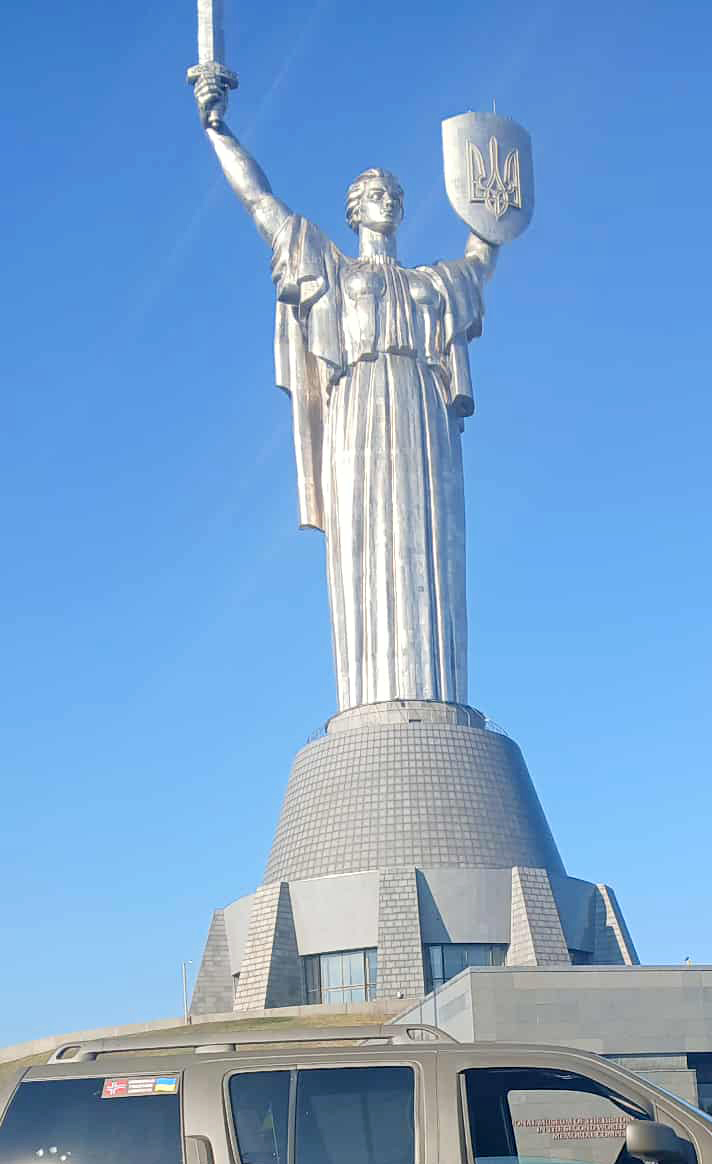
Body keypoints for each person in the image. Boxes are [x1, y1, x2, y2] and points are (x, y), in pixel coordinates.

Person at [191, 70, 500, 712]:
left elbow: (480, 262)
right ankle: (370, 702)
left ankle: (435, 697)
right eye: (371, 191)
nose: (384, 197)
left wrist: (491, 215)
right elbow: (260, 203)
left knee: (431, 551)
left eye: (392, 191)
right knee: (366, 547)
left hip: (423, 414)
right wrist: (218, 130)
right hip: (357, 409)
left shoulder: (433, 284)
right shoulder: (330, 269)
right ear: (353, 210)